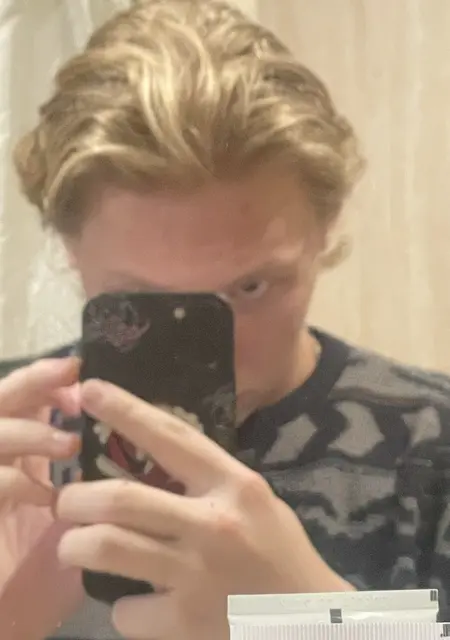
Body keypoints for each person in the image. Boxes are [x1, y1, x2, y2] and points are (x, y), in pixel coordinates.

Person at [1, 1, 450, 638]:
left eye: (250, 287)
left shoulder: (434, 445)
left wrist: (315, 622)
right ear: (72, 253)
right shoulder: (12, 434)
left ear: (325, 229)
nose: (207, 353)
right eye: (144, 301)